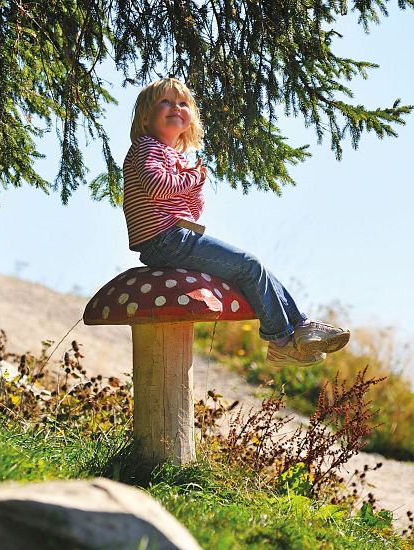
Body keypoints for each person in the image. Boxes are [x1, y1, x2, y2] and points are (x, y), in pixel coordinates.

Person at [122, 77, 350, 368]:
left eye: (182, 103)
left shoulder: (174, 156)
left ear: (191, 118)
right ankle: (282, 340)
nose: (175, 107)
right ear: (145, 116)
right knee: (247, 265)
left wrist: (195, 185)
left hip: (172, 235)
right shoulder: (148, 147)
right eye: (165, 102)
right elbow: (157, 186)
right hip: (166, 237)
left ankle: (299, 326)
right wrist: (192, 178)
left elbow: (192, 209)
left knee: (251, 268)